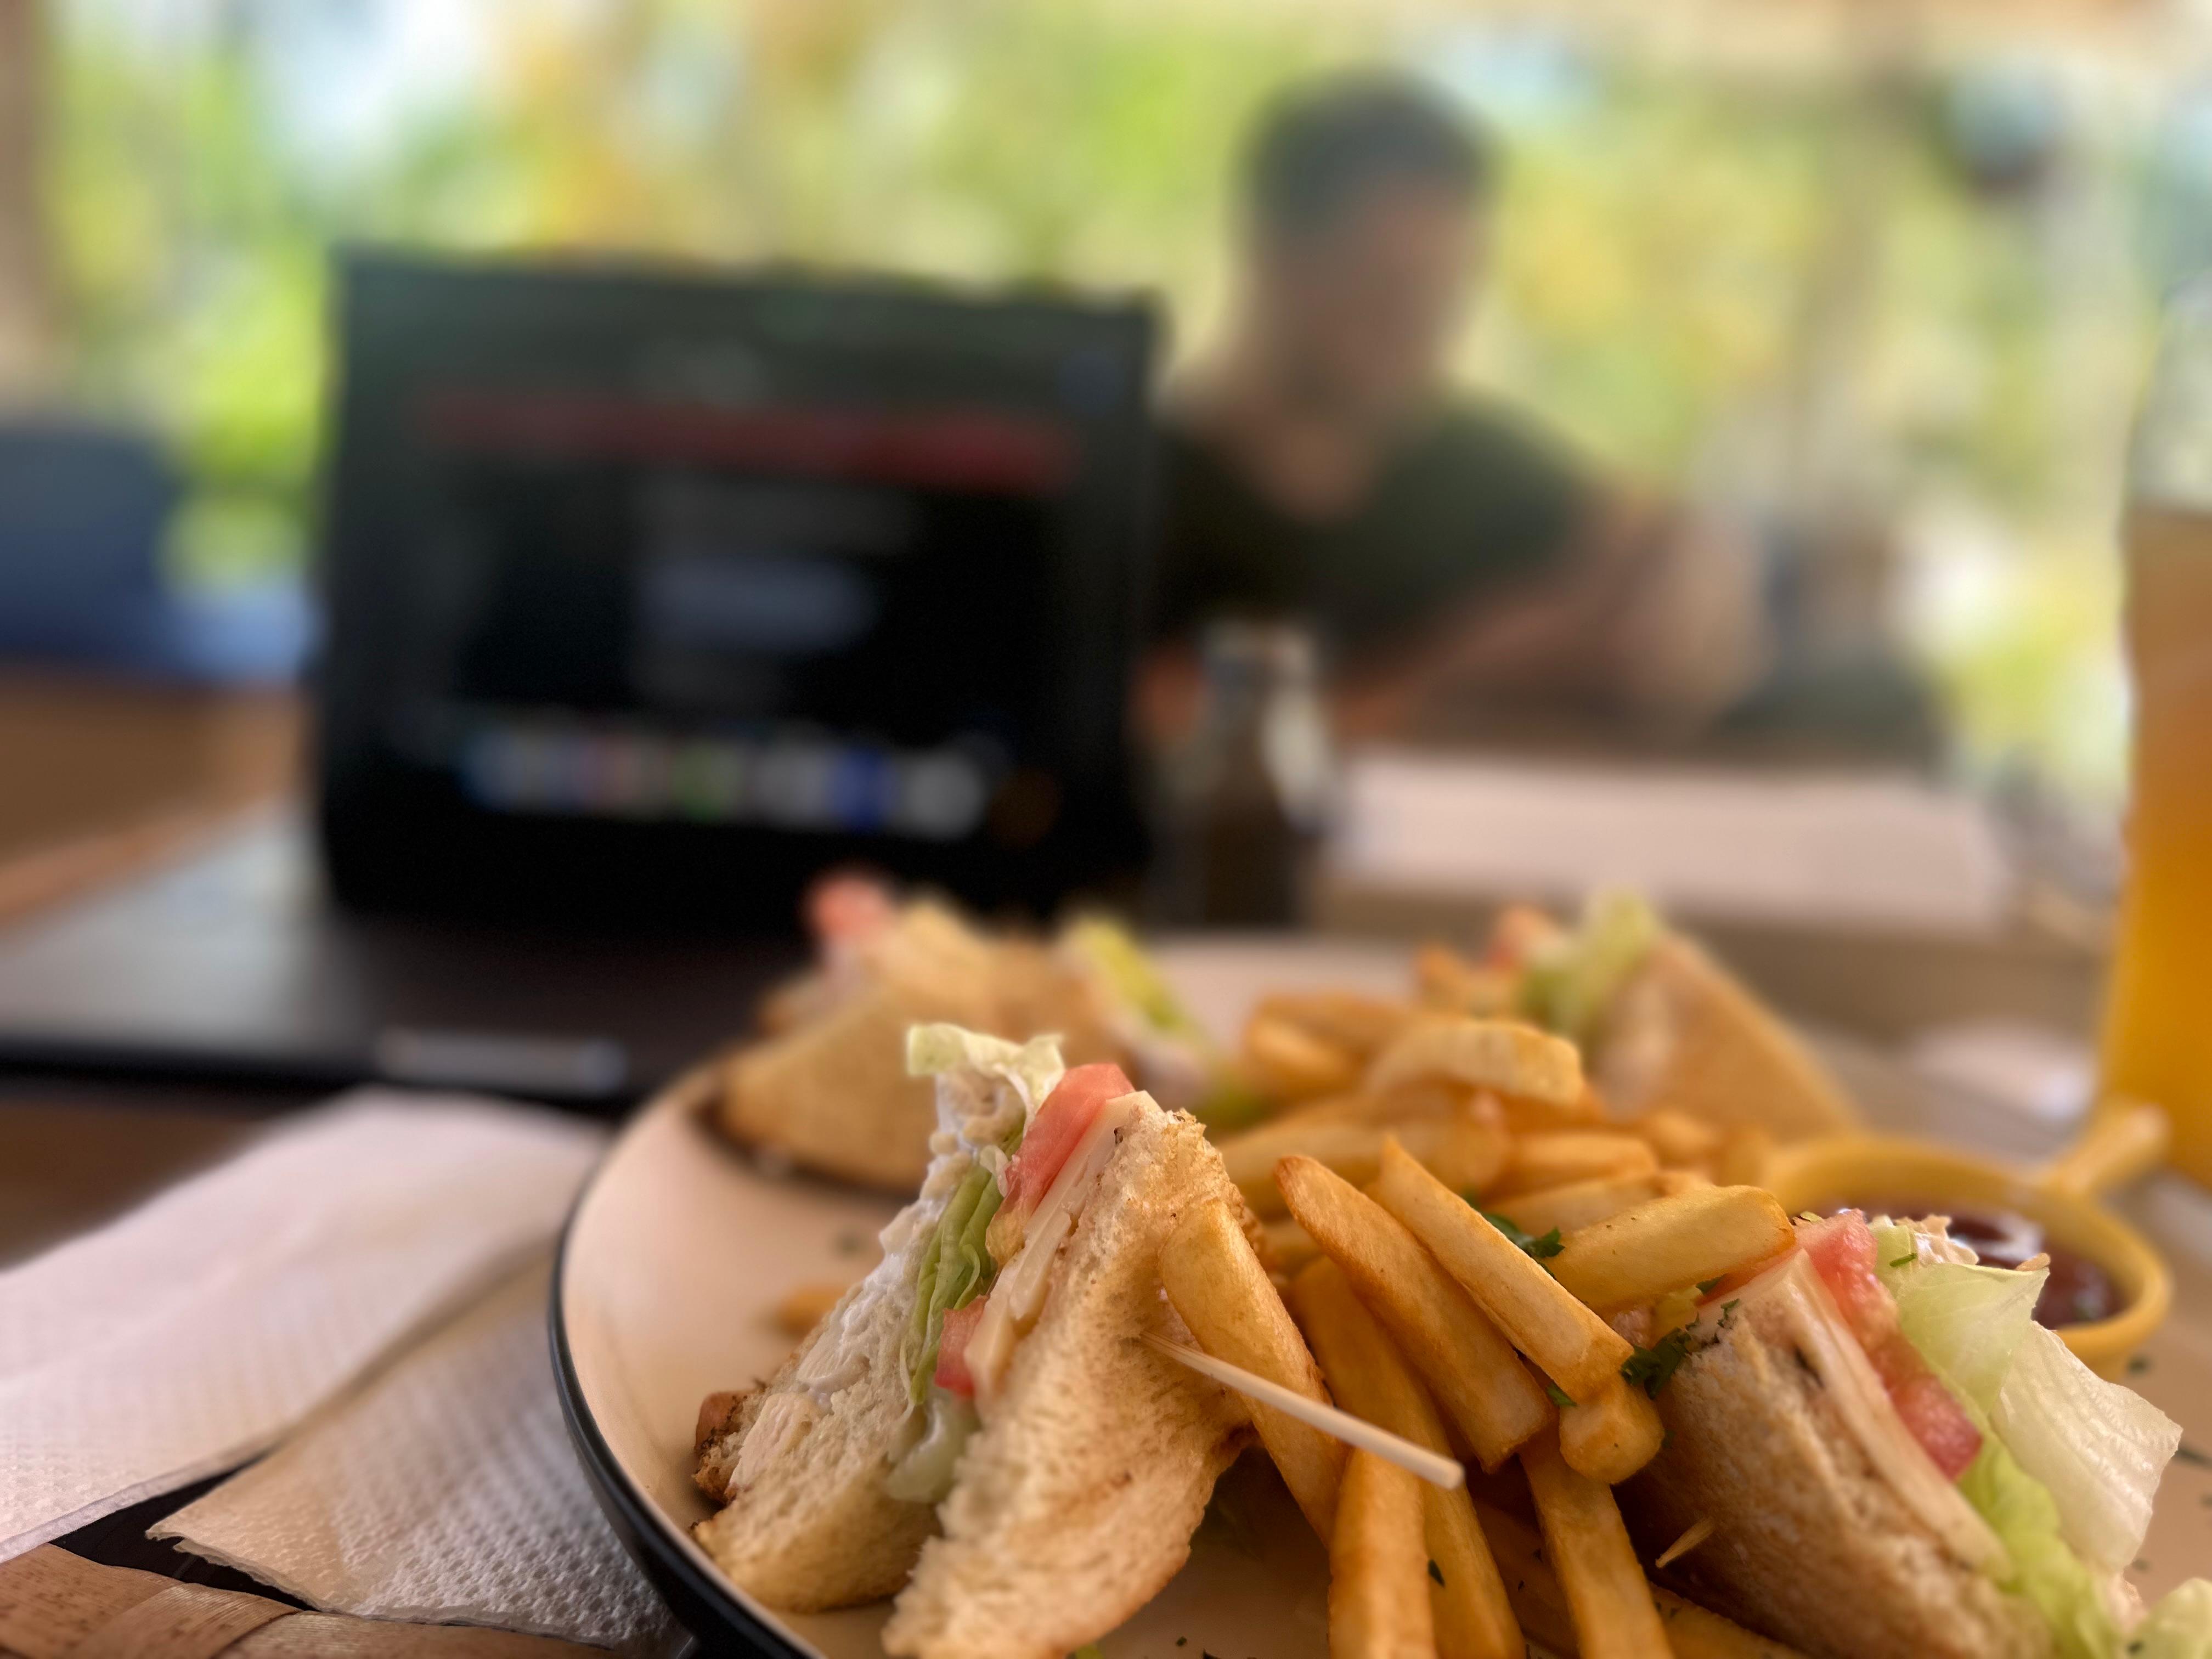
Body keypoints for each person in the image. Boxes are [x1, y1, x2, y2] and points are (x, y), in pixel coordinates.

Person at [1146, 72, 1773, 743]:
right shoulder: (1143, 489)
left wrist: (1692, 579)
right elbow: (1149, 719)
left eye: (1443, 295)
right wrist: (1447, 684)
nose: (1415, 330)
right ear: (1274, 255)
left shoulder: (1478, 466)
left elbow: (1652, 532)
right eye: (1385, 285)